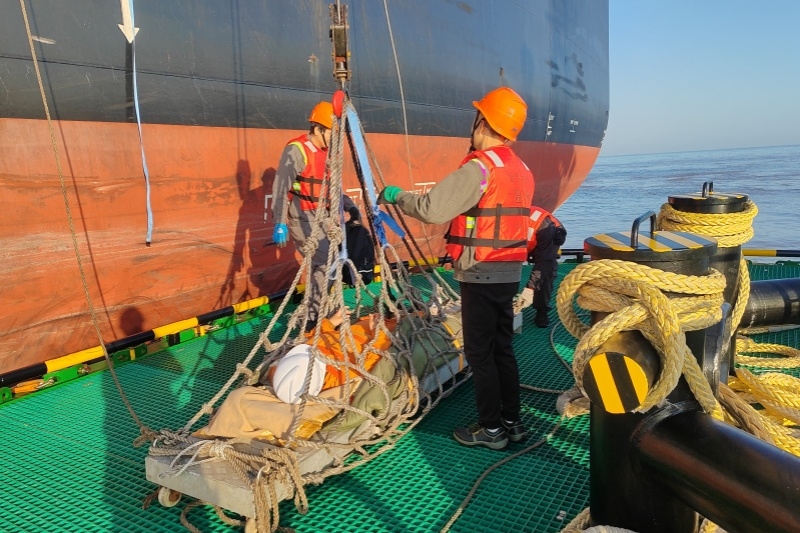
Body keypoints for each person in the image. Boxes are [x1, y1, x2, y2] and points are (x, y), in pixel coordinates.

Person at [377, 87, 534, 450]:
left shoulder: (481, 167)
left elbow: (432, 209)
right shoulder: (521, 169)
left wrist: (397, 196)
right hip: (509, 270)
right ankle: (512, 423)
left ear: (484, 122)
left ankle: (490, 429)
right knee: (502, 349)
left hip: (480, 271)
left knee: (480, 353)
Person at [271, 101, 359, 332]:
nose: (336, 138)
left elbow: (333, 188)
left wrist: (350, 207)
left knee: (333, 262)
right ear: (318, 129)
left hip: (325, 219)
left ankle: (326, 313)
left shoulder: (329, 154)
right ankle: (312, 320)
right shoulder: (297, 151)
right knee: (326, 263)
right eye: (332, 133)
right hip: (303, 218)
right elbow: (281, 188)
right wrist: (279, 223)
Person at [516, 207, 567, 327]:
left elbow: (542, 264)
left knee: (546, 272)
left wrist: (530, 289)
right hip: (519, 243)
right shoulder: (499, 222)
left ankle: (541, 311)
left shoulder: (546, 228)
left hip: (548, 239)